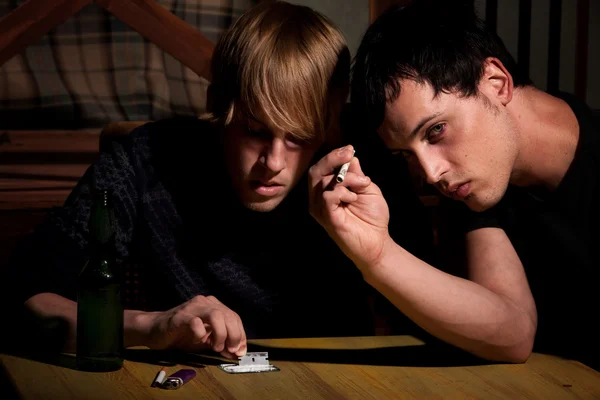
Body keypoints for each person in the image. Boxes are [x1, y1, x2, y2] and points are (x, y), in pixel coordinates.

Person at [4, 1, 433, 359]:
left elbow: (442, 316)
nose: (273, 162)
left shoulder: (365, 168)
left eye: (300, 137)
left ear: (330, 128)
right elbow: (23, 299)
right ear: (218, 106)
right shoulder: (148, 160)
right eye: (255, 130)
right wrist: (154, 326)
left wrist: (378, 253)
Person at [309, 0, 598, 368]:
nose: (430, 174)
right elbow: (513, 334)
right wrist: (377, 255)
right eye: (407, 154)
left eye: (436, 130)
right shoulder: (479, 188)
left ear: (497, 83)